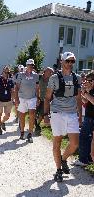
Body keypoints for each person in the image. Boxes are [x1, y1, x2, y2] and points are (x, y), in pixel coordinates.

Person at [44, 52, 82, 182]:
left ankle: (63, 158)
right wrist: (45, 115)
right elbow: (47, 97)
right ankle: (59, 170)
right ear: (62, 61)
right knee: (57, 142)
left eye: (72, 61)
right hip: (57, 113)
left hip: (72, 113)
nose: (70, 64)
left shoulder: (77, 77)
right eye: (68, 61)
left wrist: (80, 116)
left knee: (75, 143)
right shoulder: (54, 78)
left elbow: (78, 97)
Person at [15, 59, 40, 143]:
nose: (31, 66)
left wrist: (38, 97)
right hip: (22, 98)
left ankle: (30, 134)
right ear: (26, 65)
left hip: (32, 98)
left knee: (32, 114)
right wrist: (16, 99)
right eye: (29, 65)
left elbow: (37, 87)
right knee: (22, 116)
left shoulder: (36, 75)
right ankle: (22, 132)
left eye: (32, 65)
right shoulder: (21, 75)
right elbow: (17, 87)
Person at [73, 72, 94, 166]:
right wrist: (81, 95)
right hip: (89, 117)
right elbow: (87, 101)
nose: (87, 82)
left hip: (91, 118)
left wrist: (85, 92)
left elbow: (93, 101)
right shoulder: (92, 90)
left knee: (83, 137)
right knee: (89, 139)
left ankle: (83, 160)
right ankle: (89, 158)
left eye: (89, 81)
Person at [0, 66, 14, 135]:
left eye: (8, 72)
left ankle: (2, 122)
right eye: (5, 72)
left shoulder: (10, 81)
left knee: (7, 116)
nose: (7, 73)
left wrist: (13, 99)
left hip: (8, 100)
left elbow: (12, 91)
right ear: (2, 72)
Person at [35, 67, 54, 134]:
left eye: (52, 72)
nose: (51, 74)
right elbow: (35, 87)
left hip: (46, 99)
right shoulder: (39, 77)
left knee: (42, 113)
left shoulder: (52, 80)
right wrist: (37, 97)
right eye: (50, 72)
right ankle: (33, 123)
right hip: (37, 98)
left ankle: (37, 125)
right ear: (45, 72)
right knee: (33, 112)